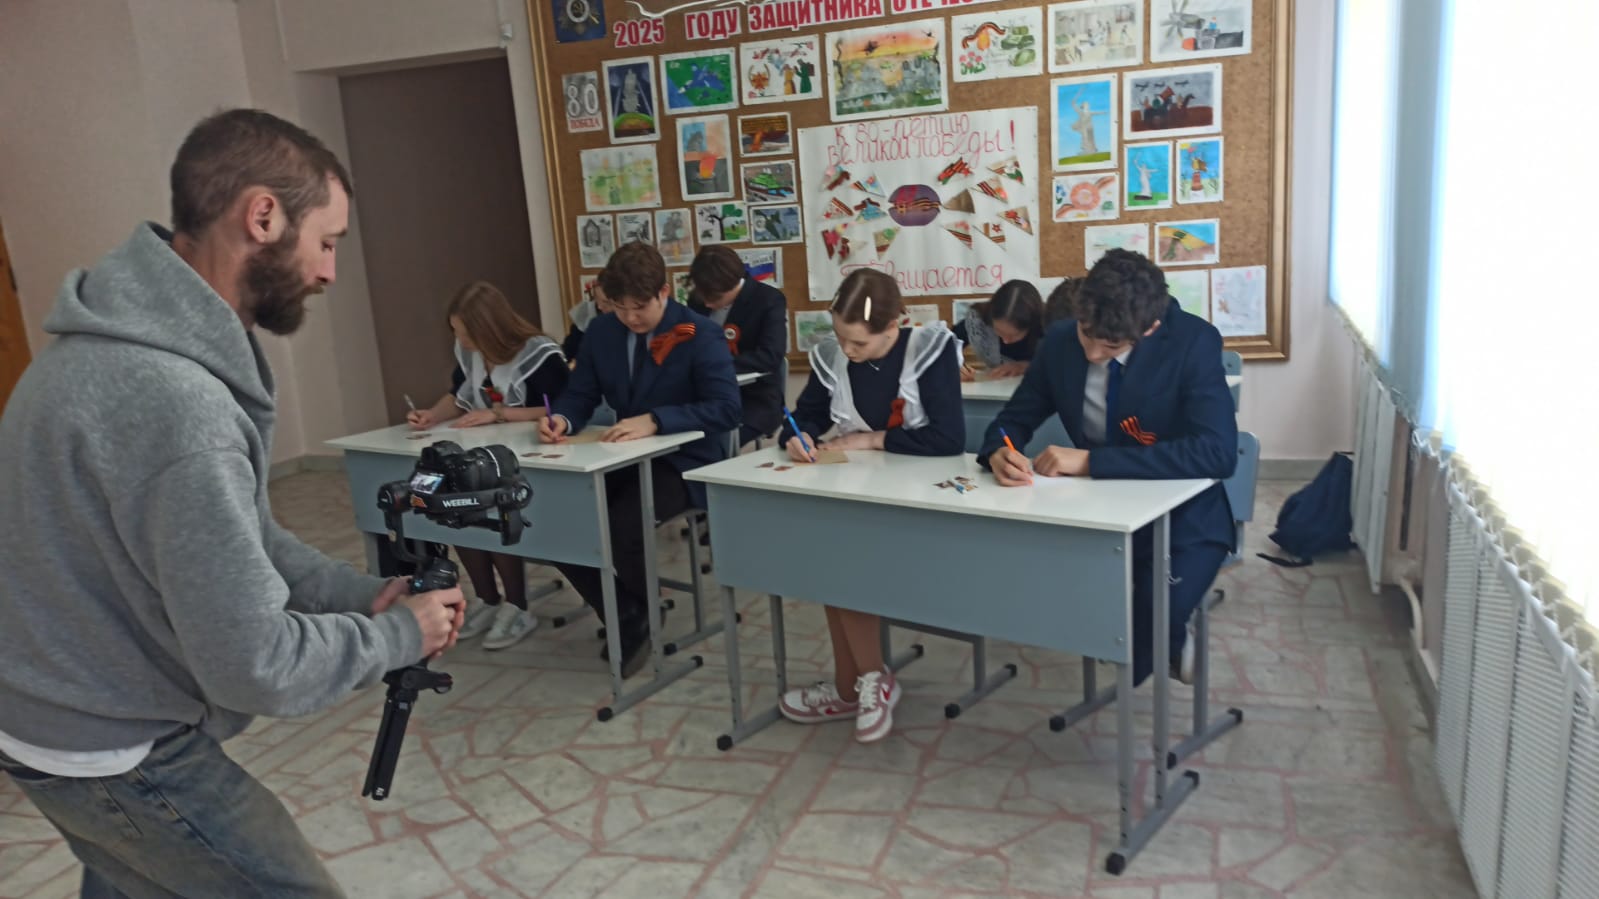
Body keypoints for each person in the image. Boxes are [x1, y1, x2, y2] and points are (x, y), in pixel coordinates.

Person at [0, 108, 464, 898]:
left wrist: (358, 595)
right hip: (106, 738)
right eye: (327, 242)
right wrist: (396, 634)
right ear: (263, 216)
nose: (329, 273)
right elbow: (258, 664)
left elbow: (244, 536)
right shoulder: (179, 405)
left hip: (45, 708)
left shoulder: (100, 344)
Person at [978, 249, 1237, 685]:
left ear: (1149, 329)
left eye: (1111, 346)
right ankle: (1160, 644)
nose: (1093, 353)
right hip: (1099, 513)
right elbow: (1013, 420)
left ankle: (1166, 641)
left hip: (1184, 518)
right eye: (1086, 334)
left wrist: (1092, 461)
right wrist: (998, 450)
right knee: (1091, 616)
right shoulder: (1061, 341)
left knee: (1148, 626)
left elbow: (1217, 452)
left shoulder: (1193, 341)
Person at [776, 269, 965, 743]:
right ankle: (859, 683)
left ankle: (866, 681)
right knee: (833, 568)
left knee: (843, 569)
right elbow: (806, 415)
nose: (847, 350)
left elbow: (948, 438)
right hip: (857, 496)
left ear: (894, 326)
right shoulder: (834, 356)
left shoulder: (930, 350)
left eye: (859, 342)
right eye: (840, 337)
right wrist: (797, 436)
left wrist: (874, 439)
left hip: (920, 502)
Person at [539, 242, 740, 678]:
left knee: (622, 524)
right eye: (619, 307)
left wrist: (656, 419)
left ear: (664, 292)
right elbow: (580, 394)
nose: (630, 317)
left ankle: (637, 614)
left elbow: (726, 409)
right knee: (556, 520)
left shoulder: (699, 333)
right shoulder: (601, 333)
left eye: (640, 307)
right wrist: (563, 419)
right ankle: (628, 610)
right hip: (623, 455)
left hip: (684, 460)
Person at [406, 280, 568, 650]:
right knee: (460, 507)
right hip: (483, 454)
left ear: (490, 328)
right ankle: (488, 598)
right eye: (456, 332)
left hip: (532, 455)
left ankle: (517, 605)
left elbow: (560, 406)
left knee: (495, 509)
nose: (461, 341)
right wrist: (431, 415)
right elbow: (459, 396)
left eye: (466, 333)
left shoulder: (539, 355)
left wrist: (498, 414)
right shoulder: (472, 355)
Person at [686, 245, 787, 445]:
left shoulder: (768, 300)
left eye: (715, 298)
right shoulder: (698, 300)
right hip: (705, 396)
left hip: (754, 398)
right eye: (703, 295)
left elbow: (770, 356)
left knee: (713, 443)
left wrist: (716, 367)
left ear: (734, 285)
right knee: (679, 436)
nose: (707, 304)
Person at [953, 279, 1044, 381]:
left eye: (1014, 335)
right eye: (999, 331)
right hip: (994, 386)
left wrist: (1026, 366)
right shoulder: (979, 321)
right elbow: (947, 346)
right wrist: (959, 369)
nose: (1006, 341)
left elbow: (1056, 364)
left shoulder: (1047, 328)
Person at [562, 279, 615, 363]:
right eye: (597, 300)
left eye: (606, 302)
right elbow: (569, 351)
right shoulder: (587, 316)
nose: (599, 306)